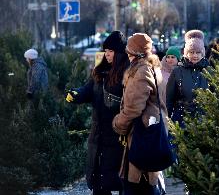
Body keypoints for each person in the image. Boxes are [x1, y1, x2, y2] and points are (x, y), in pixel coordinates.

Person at [65, 31, 129, 195]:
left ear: (120, 53)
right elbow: (88, 90)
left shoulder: (128, 74)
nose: (107, 55)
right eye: (106, 51)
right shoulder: (100, 72)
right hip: (99, 133)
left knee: (120, 179)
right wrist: (76, 95)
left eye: (111, 51)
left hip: (118, 134)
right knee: (99, 181)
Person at [112, 33, 168, 195]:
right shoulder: (153, 67)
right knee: (146, 183)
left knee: (137, 183)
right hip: (151, 130)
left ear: (133, 53)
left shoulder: (141, 72)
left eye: (128, 51)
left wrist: (119, 124)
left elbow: (133, 108)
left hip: (141, 135)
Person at [166, 30, 209, 125]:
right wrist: (167, 119)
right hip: (181, 120)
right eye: (191, 52)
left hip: (204, 122)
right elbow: (169, 98)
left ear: (202, 53)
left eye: (198, 52)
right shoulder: (177, 71)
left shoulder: (209, 72)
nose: (195, 55)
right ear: (186, 53)